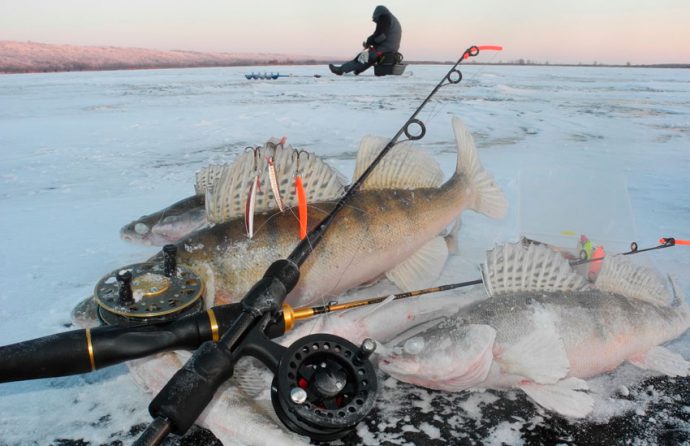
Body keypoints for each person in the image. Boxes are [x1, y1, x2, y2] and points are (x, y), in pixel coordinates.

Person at [329, 5, 402, 75]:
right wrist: (370, 41)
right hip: (389, 47)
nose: (376, 22)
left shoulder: (384, 17)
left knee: (365, 56)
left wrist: (369, 41)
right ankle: (357, 70)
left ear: (377, 15)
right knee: (370, 55)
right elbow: (380, 35)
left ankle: (341, 70)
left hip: (386, 48)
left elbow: (380, 36)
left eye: (376, 20)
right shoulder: (390, 18)